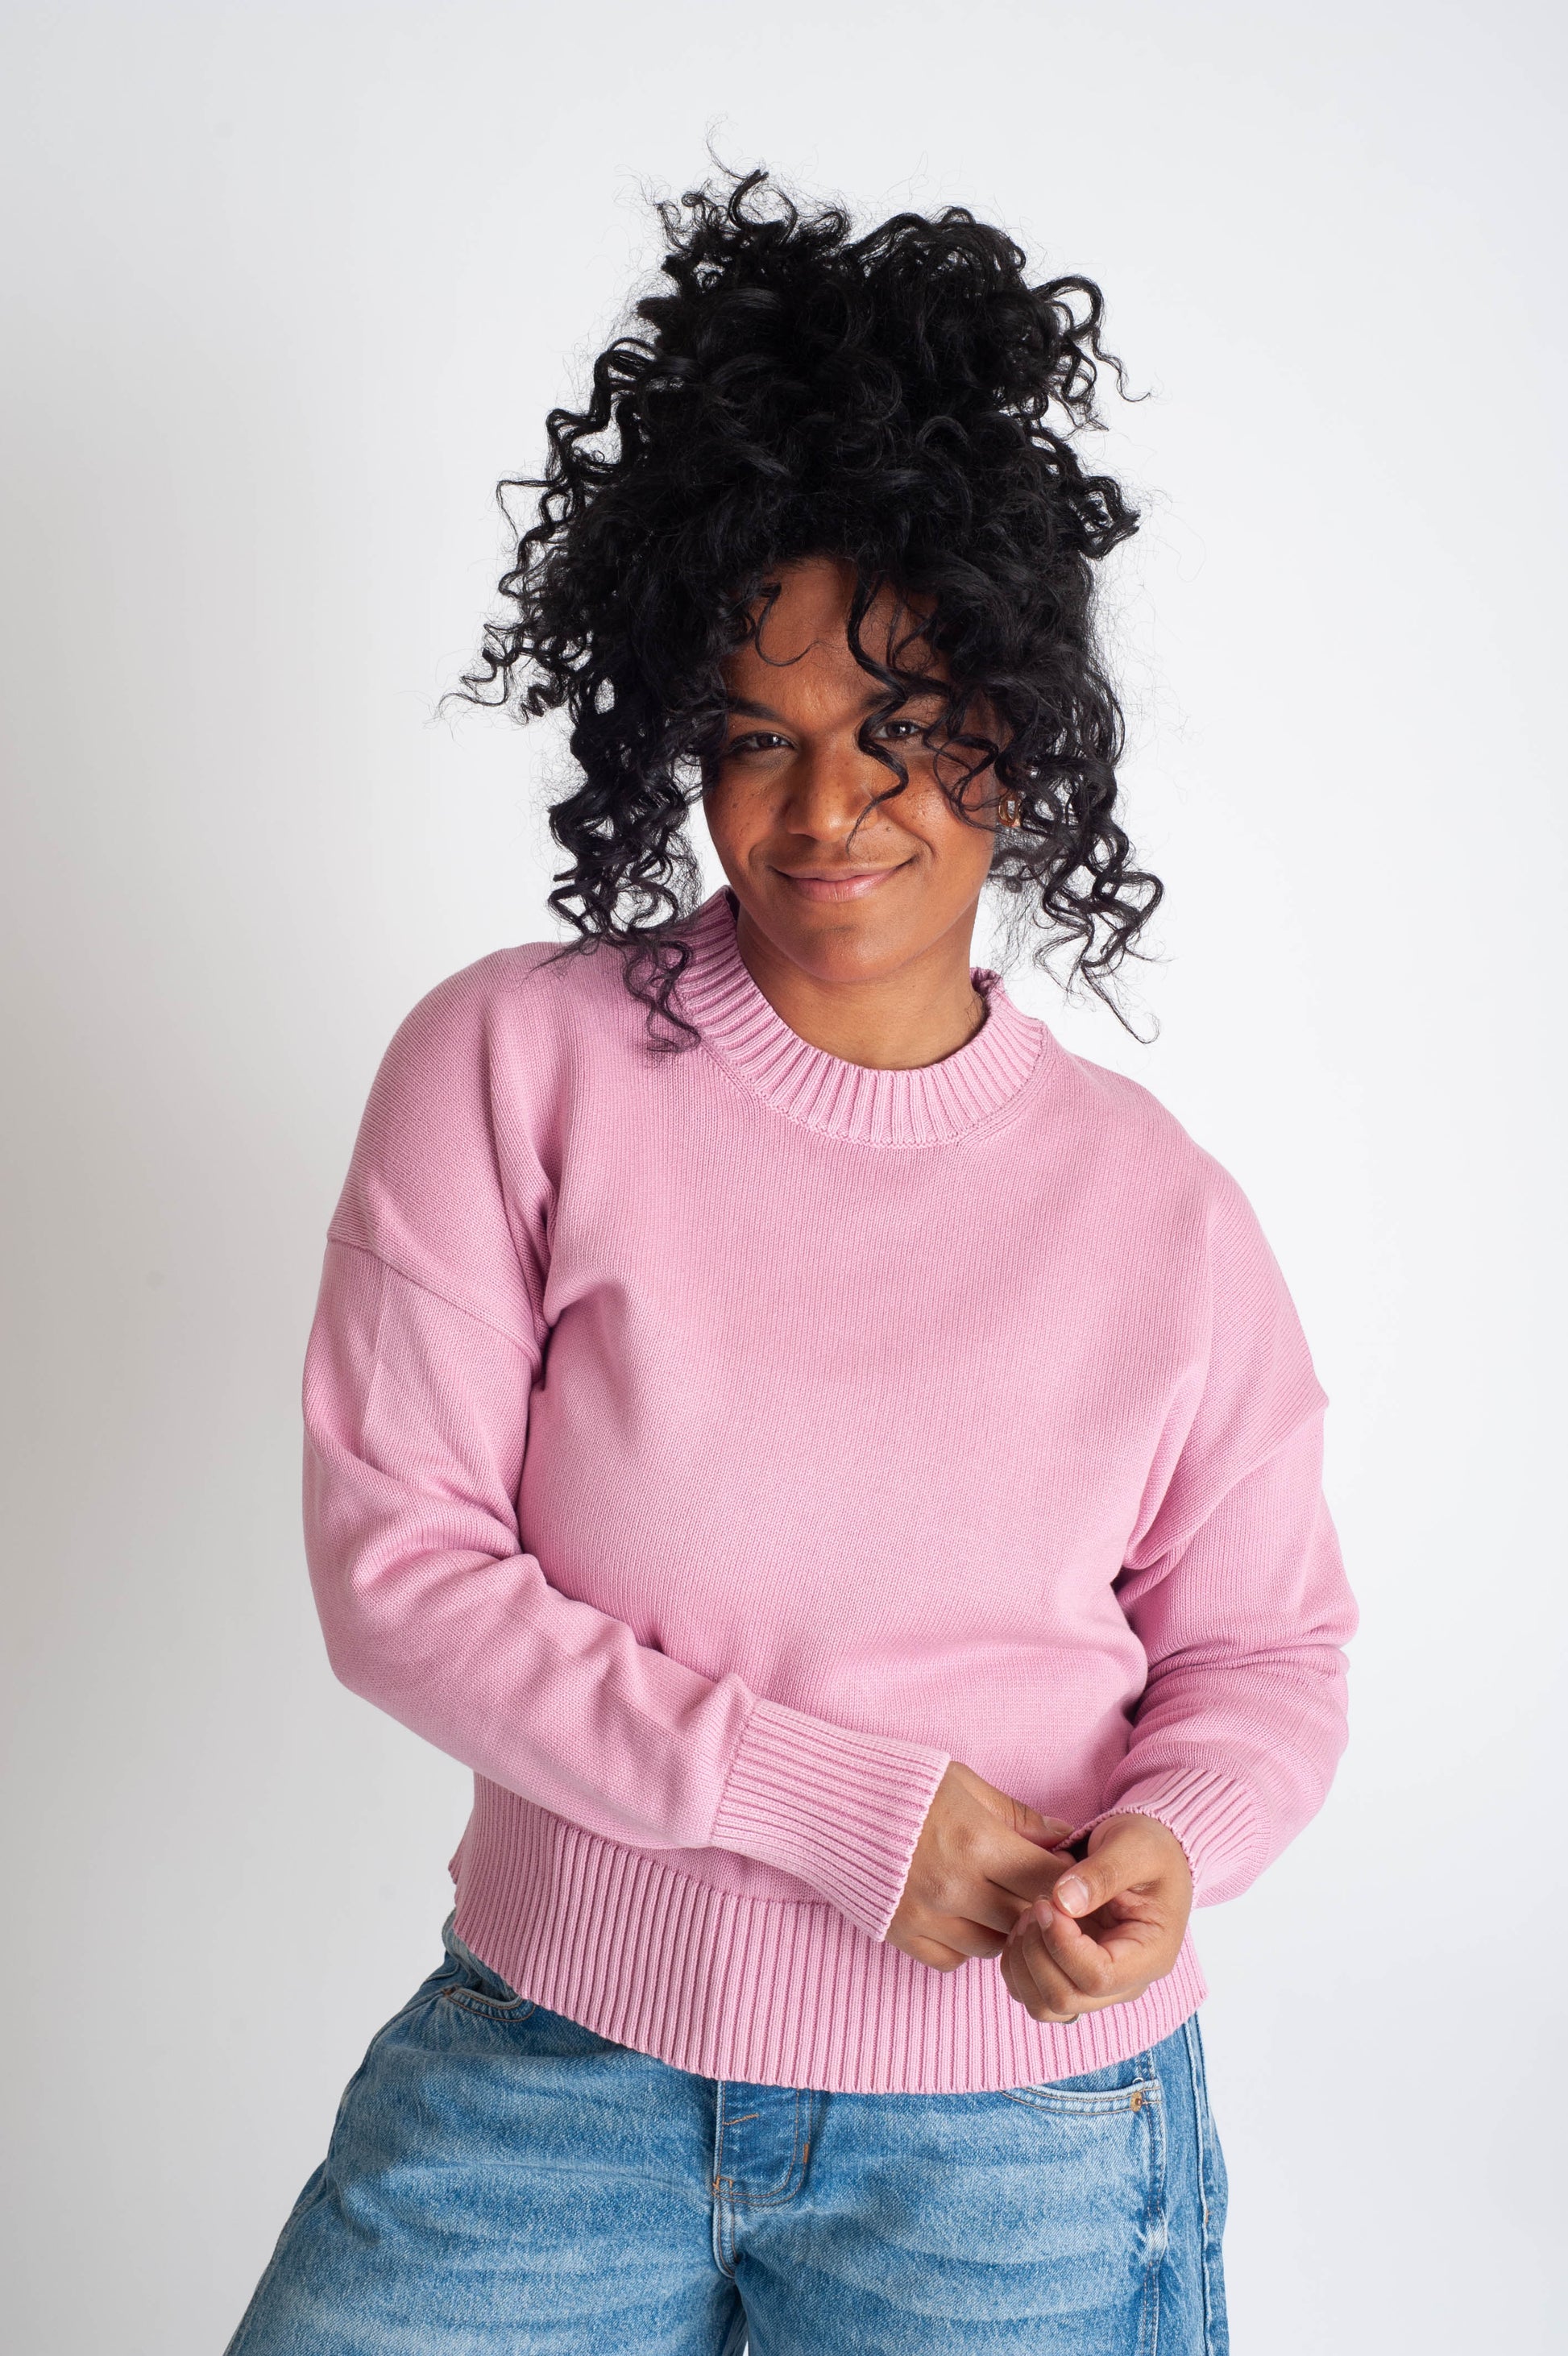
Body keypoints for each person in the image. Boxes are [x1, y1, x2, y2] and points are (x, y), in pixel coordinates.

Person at [223, 169, 1356, 2356]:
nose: (824, 808)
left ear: (1012, 734)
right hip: (549, 2066)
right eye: (755, 737)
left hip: (1012, 2135)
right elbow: (401, 1574)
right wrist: (836, 1810)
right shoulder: (511, 1067)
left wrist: (1172, 1847)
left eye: (896, 727)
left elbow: (1270, 1651)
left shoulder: (1159, 1213)